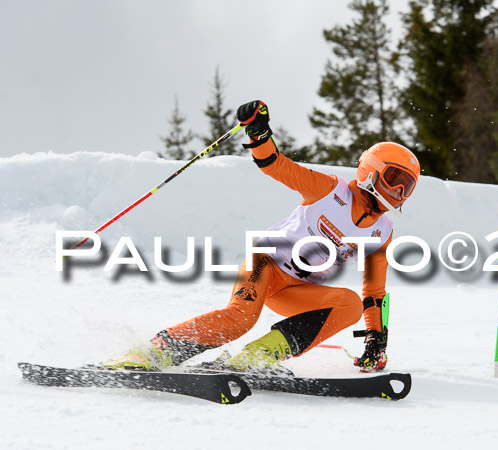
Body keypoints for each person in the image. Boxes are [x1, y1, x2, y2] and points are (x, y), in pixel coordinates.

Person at [104, 100, 420, 374]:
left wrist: (375, 338)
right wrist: (259, 133)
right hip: (265, 264)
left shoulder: (382, 232)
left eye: (407, 186)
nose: (399, 191)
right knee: (240, 318)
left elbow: (374, 290)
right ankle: (152, 351)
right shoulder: (328, 190)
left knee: (349, 304)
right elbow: (276, 165)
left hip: (297, 289)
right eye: (396, 179)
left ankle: (258, 356)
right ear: (371, 171)